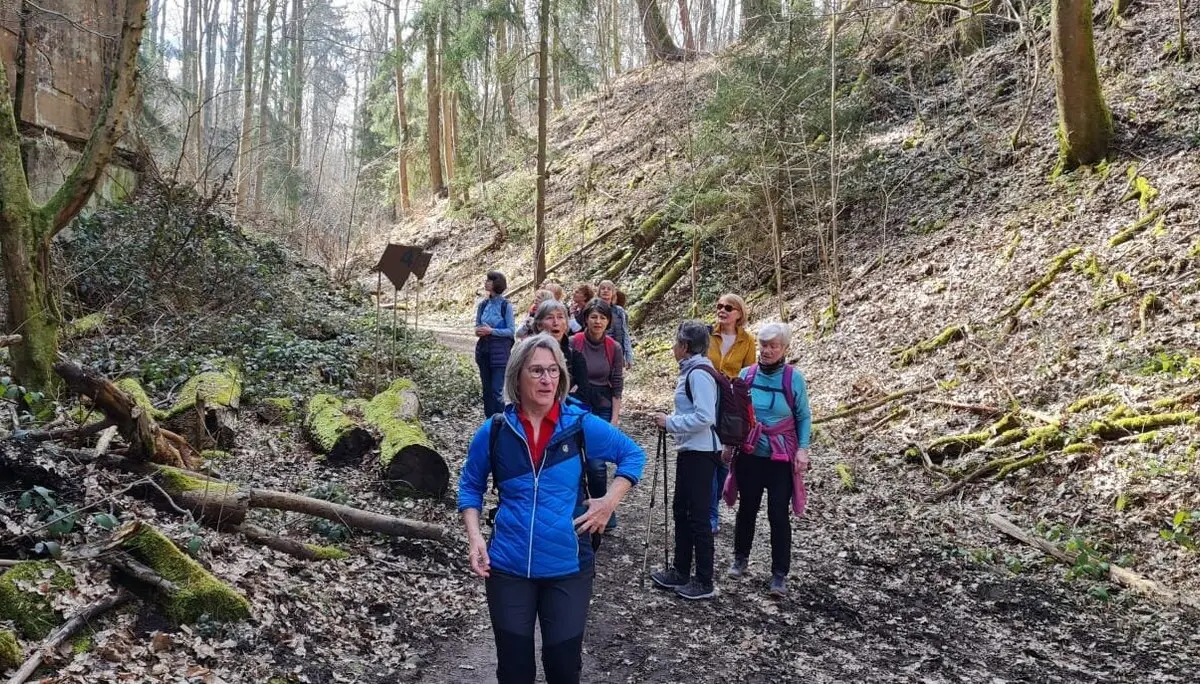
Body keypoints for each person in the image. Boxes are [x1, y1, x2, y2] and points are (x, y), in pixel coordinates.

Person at [458, 334, 646, 684]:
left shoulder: (579, 426)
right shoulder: (495, 431)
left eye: (553, 371)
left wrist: (608, 503)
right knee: (514, 671)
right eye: (536, 371)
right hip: (509, 567)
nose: (546, 379)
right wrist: (474, 538)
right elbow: (470, 487)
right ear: (517, 377)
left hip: (568, 566)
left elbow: (633, 455)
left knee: (563, 668)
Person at [729, 322, 812, 597]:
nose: (766, 351)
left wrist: (803, 449)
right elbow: (737, 414)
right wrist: (730, 444)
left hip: (780, 457)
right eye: (763, 345)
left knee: (778, 514)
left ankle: (779, 574)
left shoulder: (793, 379)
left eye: (773, 346)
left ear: (785, 348)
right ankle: (740, 558)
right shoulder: (746, 374)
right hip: (751, 454)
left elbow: (803, 416)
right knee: (747, 509)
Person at [651, 321, 721, 600]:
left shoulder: (699, 374)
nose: (672, 347)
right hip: (691, 449)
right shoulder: (691, 371)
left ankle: (704, 580)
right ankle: (680, 570)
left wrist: (670, 422)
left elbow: (706, 417)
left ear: (686, 346)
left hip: (702, 452)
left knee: (698, 515)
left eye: (676, 342)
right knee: (682, 509)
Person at [570, 298, 624, 531]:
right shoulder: (574, 343)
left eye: (602, 317)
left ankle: (604, 509)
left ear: (608, 321)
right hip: (576, 404)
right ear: (586, 319)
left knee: (596, 463)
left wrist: (614, 418)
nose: (598, 321)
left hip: (602, 404)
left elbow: (617, 383)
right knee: (573, 460)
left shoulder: (614, 347)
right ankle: (578, 508)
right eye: (593, 316)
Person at [706, 293, 756, 534]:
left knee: (724, 457)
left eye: (728, 307)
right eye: (719, 306)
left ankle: (712, 506)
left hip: (731, 405)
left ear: (739, 313)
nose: (722, 310)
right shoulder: (707, 335)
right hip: (707, 399)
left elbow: (749, 375)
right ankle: (709, 514)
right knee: (706, 453)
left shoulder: (748, 341)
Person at [475, 271, 516, 416]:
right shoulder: (483, 305)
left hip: (499, 353)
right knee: (486, 389)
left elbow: (511, 331)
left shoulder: (506, 306)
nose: (486, 282)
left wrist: (491, 331)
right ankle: (488, 421)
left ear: (496, 283)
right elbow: (477, 325)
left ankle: (500, 420)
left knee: (496, 390)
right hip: (484, 350)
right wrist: (479, 331)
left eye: (489, 280)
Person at [532, 299, 587, 398]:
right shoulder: (527, 355)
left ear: (566, 324)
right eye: (550, 317)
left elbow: (583, 394)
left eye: (560, 317)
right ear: (539, 325)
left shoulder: (575, 357)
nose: (556, 322)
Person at [596, 280, 633, 368]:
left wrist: (628, 356)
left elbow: (625, 334)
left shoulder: (619, 311)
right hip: (599, 354)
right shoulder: (593, 310)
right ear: (599, 292)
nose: (605, 291)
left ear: (613, 293)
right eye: (603, 288)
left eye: (609, 289)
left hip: (617, 354)